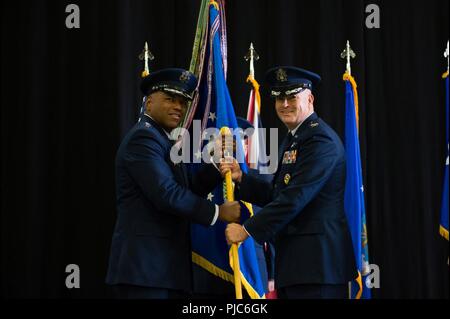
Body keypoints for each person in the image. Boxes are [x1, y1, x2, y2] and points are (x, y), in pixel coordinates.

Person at [221, 66, 357, 299]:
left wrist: (246, 231)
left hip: (318, 268)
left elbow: (295, 198)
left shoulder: (319, 140)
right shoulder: (296, 138)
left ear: (310, 98)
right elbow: (279, 190)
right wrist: (242, 177)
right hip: (298, 267)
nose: (284, 104)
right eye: (279, 98)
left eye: (292, 97)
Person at [106, 68, 241, 299]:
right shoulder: (143, 138)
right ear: (148, 103)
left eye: (182, 101)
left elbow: (185, 189)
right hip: (145, 273)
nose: (178, 107)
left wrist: (217, 165)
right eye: (170, 99)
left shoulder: (163, 140)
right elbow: (167, 194)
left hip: (164, 271)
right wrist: (218, 212)